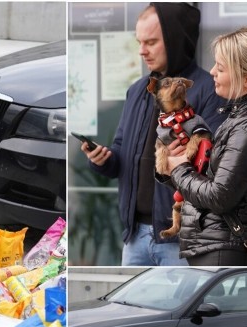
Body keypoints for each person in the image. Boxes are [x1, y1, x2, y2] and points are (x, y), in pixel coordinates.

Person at [81, 3, 225, 266]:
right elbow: (120, 156)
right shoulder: (137, 91)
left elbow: (214, 165)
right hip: (134, 237)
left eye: (151, 42)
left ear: (174, 40)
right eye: (139, 42)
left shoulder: (208, 90)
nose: (141, 51)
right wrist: (103, 159)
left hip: (182, 241)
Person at [162, 27, 247, 265]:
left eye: (220, 68)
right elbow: (214, 183)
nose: (212, 72)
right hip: (215, 245)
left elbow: (219, 196)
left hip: (223, 249)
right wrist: (172, 167)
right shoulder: (244, 118)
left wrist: (178, 170)